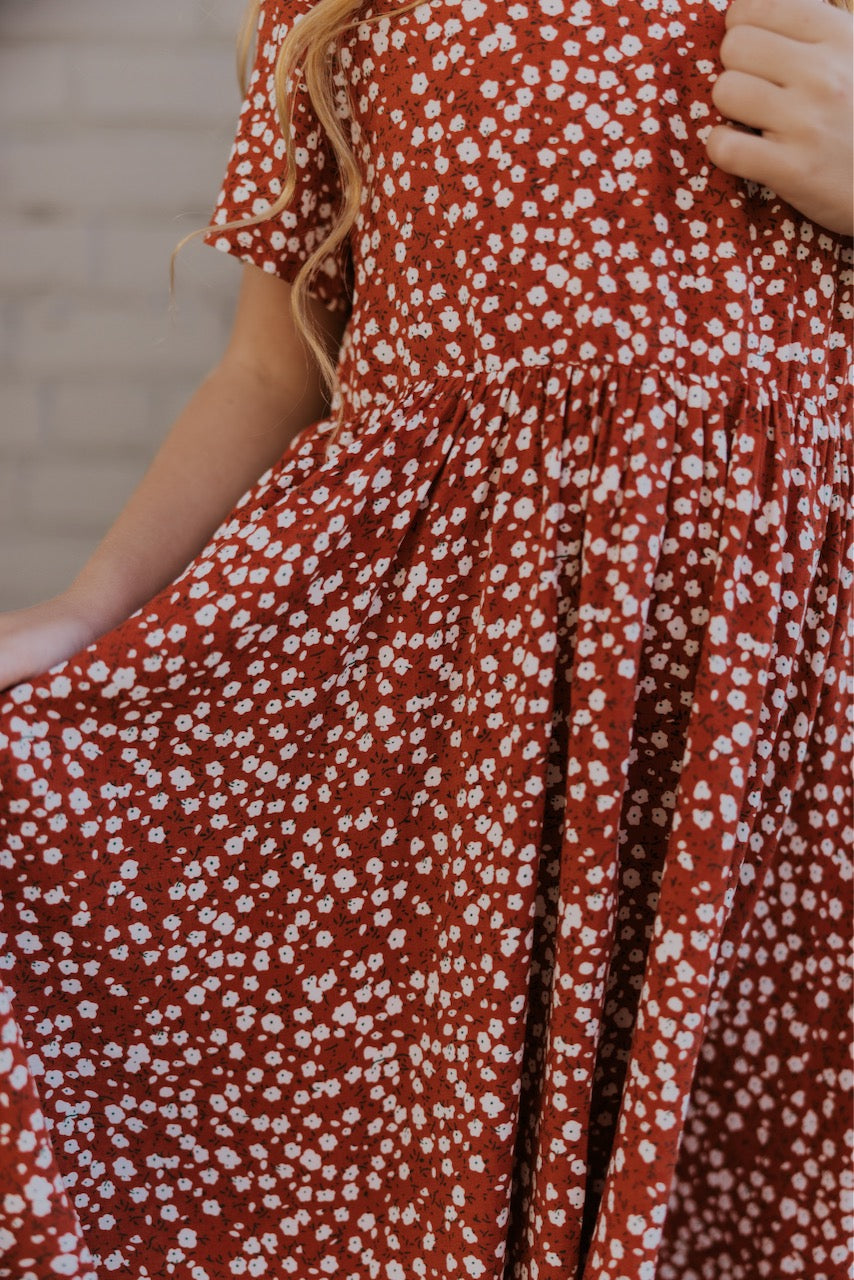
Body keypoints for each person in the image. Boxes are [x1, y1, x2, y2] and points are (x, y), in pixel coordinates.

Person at [0, 0, 851, 1276]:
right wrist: (87, 605)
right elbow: (268, 370)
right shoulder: (331, 18)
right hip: (461, 679)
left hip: (781, 658)